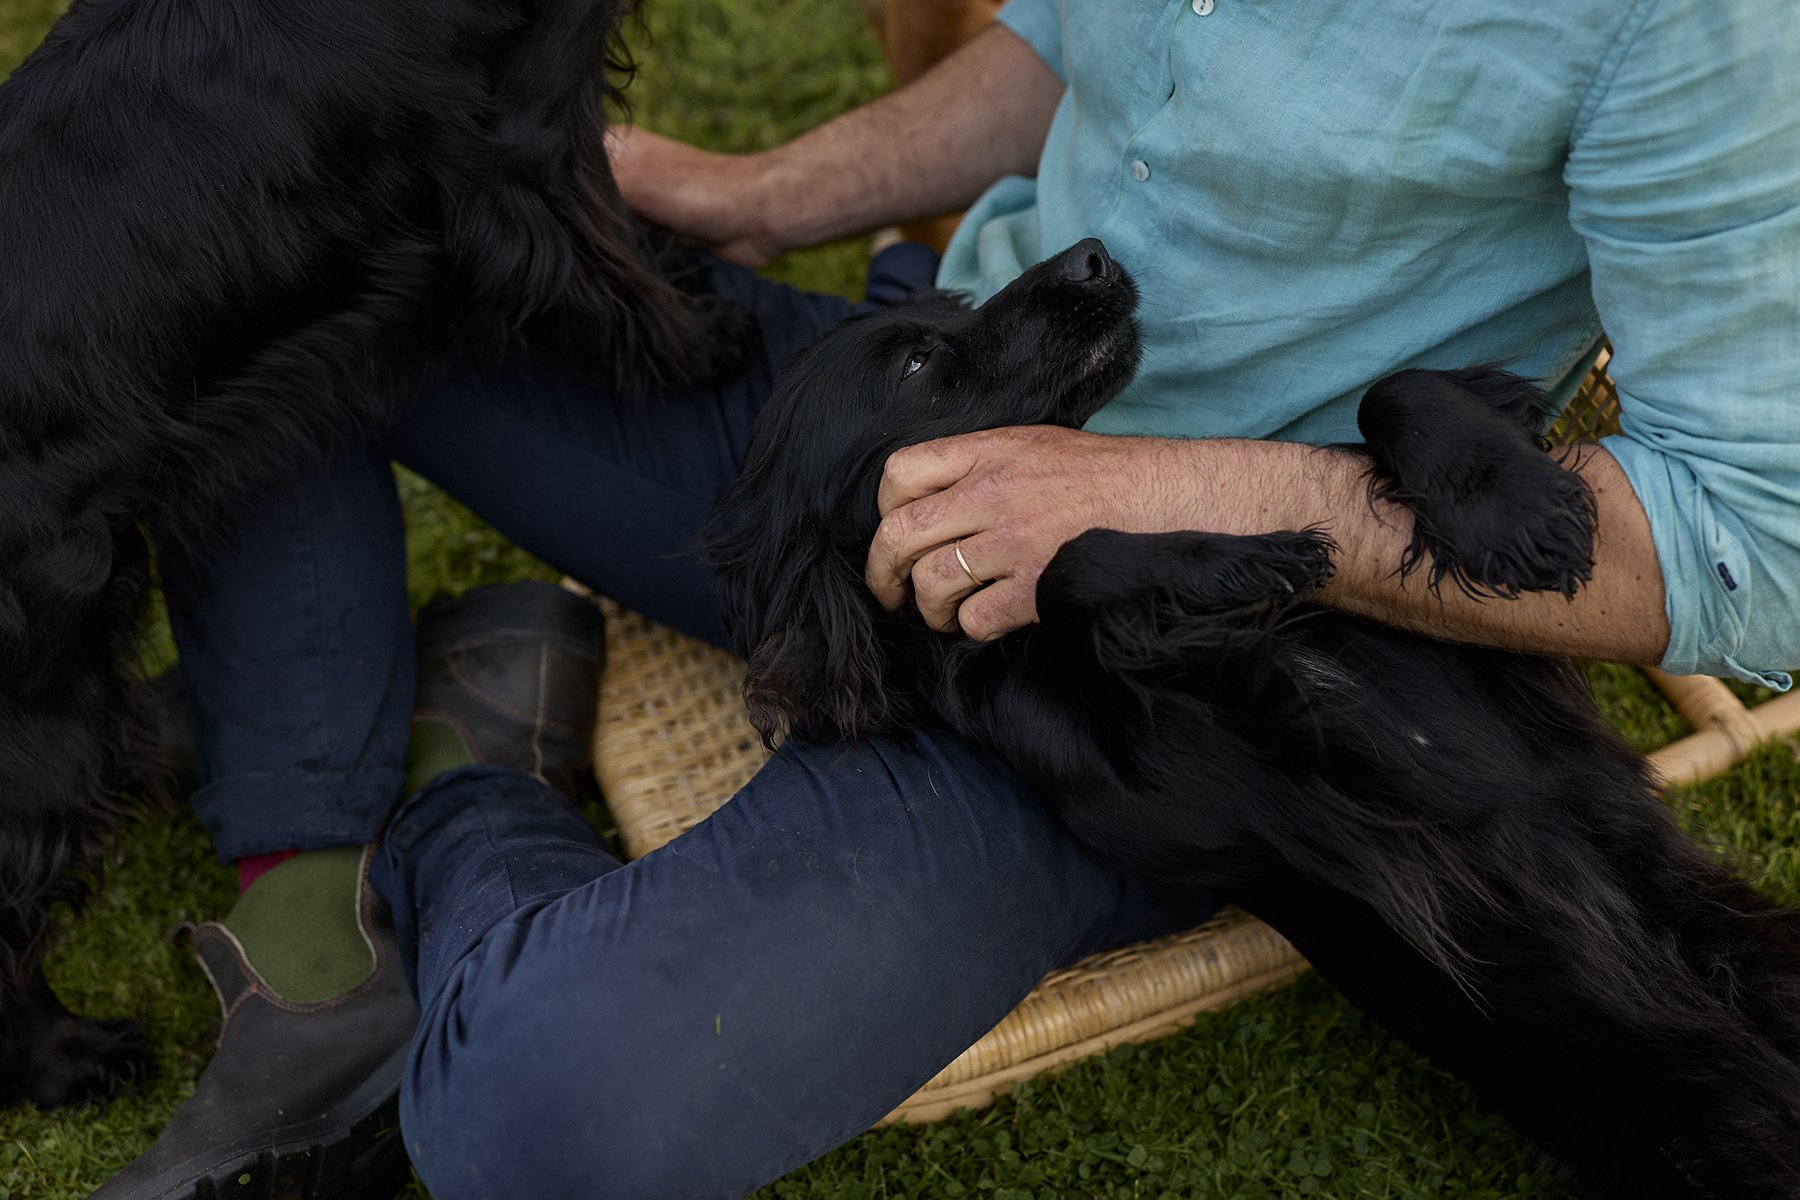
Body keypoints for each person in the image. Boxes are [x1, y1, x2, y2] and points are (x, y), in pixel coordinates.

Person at [99, 1, 1799, 1197]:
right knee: (284, 247)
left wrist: (1153, 492)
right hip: (905, 385)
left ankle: (463, 791)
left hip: (1154, 660)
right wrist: (759, 192)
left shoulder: (1691, 23)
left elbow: (1753, 547)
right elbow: (1069, 47)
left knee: (542, 1118)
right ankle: (306, 918)